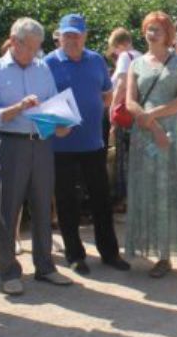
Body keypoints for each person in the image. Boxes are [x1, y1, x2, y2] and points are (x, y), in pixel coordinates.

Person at [0, 18, 74, 295]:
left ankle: (45, 267)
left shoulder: (42, 69)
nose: (34, 53)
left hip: (42, 144)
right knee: (9, 209)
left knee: (44, 207)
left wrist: (62, 123)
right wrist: (18, 107)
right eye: (30, 47)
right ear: (15, 41)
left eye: (37, 48)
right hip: (11, 144)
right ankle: (9, 271)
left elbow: (55, 103)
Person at [125, 11, 177, 280]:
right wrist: (151, 125)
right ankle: (162, 257)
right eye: (149, 29)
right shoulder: (136, 64)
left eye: (158, 29)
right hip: (148, 137)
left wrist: (154, 117)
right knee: (154, 193)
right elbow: (129, 101)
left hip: (173, 136)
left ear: (168, 34)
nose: (152, 33)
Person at [44, 14, 130, 276]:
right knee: (67, 201)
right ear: (58, 35)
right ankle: (74, 254)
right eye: (67, 34)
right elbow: (41, 101)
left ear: (85, 36)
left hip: (93, 142)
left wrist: (101, 107)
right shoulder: (47, 63)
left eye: (76, 34)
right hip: (61, 146)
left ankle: (110, 252)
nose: (71, 39)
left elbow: (106, 92)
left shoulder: (96, 60)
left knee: (101, 199)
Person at [108, 27, 142, 207]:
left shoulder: (125, 57)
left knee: (123, 159)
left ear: (119, 44)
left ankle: (127, 200)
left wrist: (112, 110)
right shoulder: (141, 55)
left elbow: (121, 86)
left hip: (125, 115)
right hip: (139, 114)